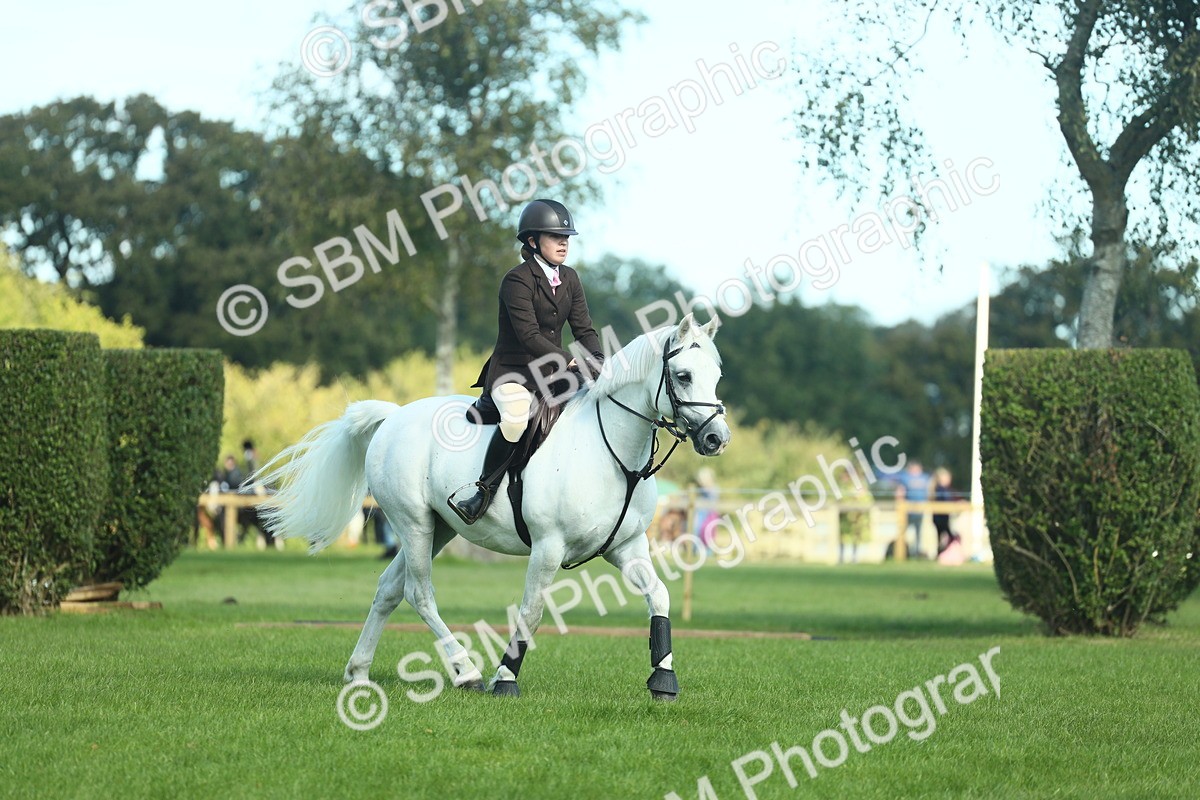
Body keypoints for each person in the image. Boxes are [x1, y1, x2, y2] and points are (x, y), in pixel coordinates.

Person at [449, 199, 606, 524]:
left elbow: (584, 328)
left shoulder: (571, 278)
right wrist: (570, 361)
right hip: (514, 374)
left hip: (554, 375)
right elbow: (529, 336)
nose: (564, 243)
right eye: (555, 237)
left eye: (567, 237)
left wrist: (599, 360)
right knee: (518, 420)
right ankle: (482, 491)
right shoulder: (516, 280)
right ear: (533, 241)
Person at [893, 460, 930, 557]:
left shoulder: (925, 477)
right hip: (907, 511)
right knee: (903, 532)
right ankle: (902, 552)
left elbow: (930, 492)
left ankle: (916, 552)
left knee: (918, 533)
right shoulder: (905, 477)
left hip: (920, 511)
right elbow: (900, 492)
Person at [932, 467, 962, 557]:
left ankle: (941, 553)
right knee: (949, 536)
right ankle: (944, 553)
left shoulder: (944, 489)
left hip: (942, 518)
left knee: (942, 537)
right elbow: (946, 501)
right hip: (941, 518)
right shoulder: (941, 489)